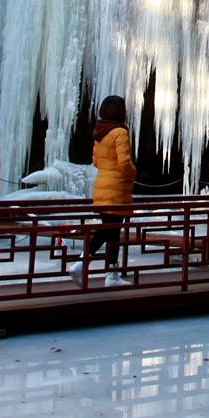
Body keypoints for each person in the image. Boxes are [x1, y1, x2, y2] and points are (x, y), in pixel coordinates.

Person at [77, 96, 136, 286]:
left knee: (110, 232)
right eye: (124, 108)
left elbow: (96, 161)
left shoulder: (100, 133)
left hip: (102, 186)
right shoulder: (119, 132)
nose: (126, 112)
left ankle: (111, 275)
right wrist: (132, 174)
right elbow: (125, 162)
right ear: (118, 111)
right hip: (116, 188)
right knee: (110, 230)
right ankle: (82, 263)